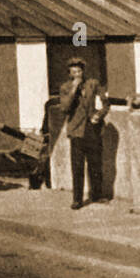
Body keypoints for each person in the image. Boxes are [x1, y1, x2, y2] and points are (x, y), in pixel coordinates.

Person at [58, 57, 108, 209]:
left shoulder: (93, 84)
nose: (77, 74)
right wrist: (74, 88)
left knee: (95, 163)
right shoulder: (66, 88)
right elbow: (65, 108)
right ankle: (77, 199)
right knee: (77, 166)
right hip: (76, 130)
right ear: (69, 74)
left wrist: (99, 115)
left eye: (79, 71)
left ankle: (97, 194)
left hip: (92, 128)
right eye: (74, 72)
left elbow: (105, 103)